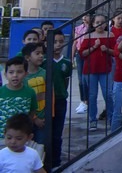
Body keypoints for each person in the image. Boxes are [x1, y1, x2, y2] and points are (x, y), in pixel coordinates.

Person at [80, 13, 116, 131]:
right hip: (90, 70)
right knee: (92, 95)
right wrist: (94, 47)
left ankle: (111, 117)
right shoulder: (88, 36)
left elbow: (115, 51)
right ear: (93, 24)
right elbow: (82, 54)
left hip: (106, 70)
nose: (100, 25)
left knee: (108, 94)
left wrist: (107, 50)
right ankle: (92, 119)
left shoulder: (110, 35)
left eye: (102, 22)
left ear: (106, 24)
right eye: (97, 22)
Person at [0, 57, 36, 141]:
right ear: (5, 74)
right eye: (11, 72)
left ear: (26, 74)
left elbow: (32, 112)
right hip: (2, 137)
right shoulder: (1, 92)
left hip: (21, 138)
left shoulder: (30, 92)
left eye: (19, 72)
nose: (15, 75)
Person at [50, 30, 71, 167]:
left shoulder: (67, 62)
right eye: (54, 42)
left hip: (60, 100)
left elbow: (66, 81)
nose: (58, 45)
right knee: (47, 132)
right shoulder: (44, 61)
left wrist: (62, 93)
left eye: (61, 42)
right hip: (46, 101)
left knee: (57, 133)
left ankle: (56, 162)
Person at [21, 44, 45, 143]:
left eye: (42, 53)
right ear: (27, 57)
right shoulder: (22, 77)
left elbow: (50, 97)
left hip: (43, 118)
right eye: (37, 53)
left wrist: (47, 115)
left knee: (42, 146)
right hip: (27, 120)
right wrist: (34, 118)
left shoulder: (45, 73)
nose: (41, 56)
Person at [73, 14, 91, 114]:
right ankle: (82, 100)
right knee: (80, 79)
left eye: (87, 16)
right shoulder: (78, 28)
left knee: (86, 79)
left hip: (88, 54)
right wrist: (72, 57)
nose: (84, 18)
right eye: (83, 16)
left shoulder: (92, 28)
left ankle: (87, 101)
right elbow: (75, 43)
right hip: (79, 54)